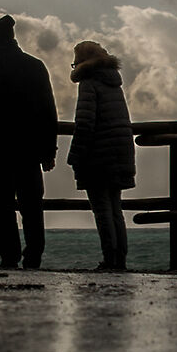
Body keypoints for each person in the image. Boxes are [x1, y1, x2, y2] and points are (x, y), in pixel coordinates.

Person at [0, 15, 59, 269]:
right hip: (30, 148)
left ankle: (9, 257)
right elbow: (48, 111)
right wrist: (49, 150)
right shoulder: (35, 65)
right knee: (32, 207)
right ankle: (34, 257)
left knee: (3, 207)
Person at [67, 39, 136, 271]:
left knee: (102, 209)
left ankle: (109, 259)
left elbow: (85, 123)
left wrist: (75, 155)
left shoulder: (88, 83)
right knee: (116, 209)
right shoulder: (114, 83)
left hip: (98, 154)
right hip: (120, 152)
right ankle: (120, 260)